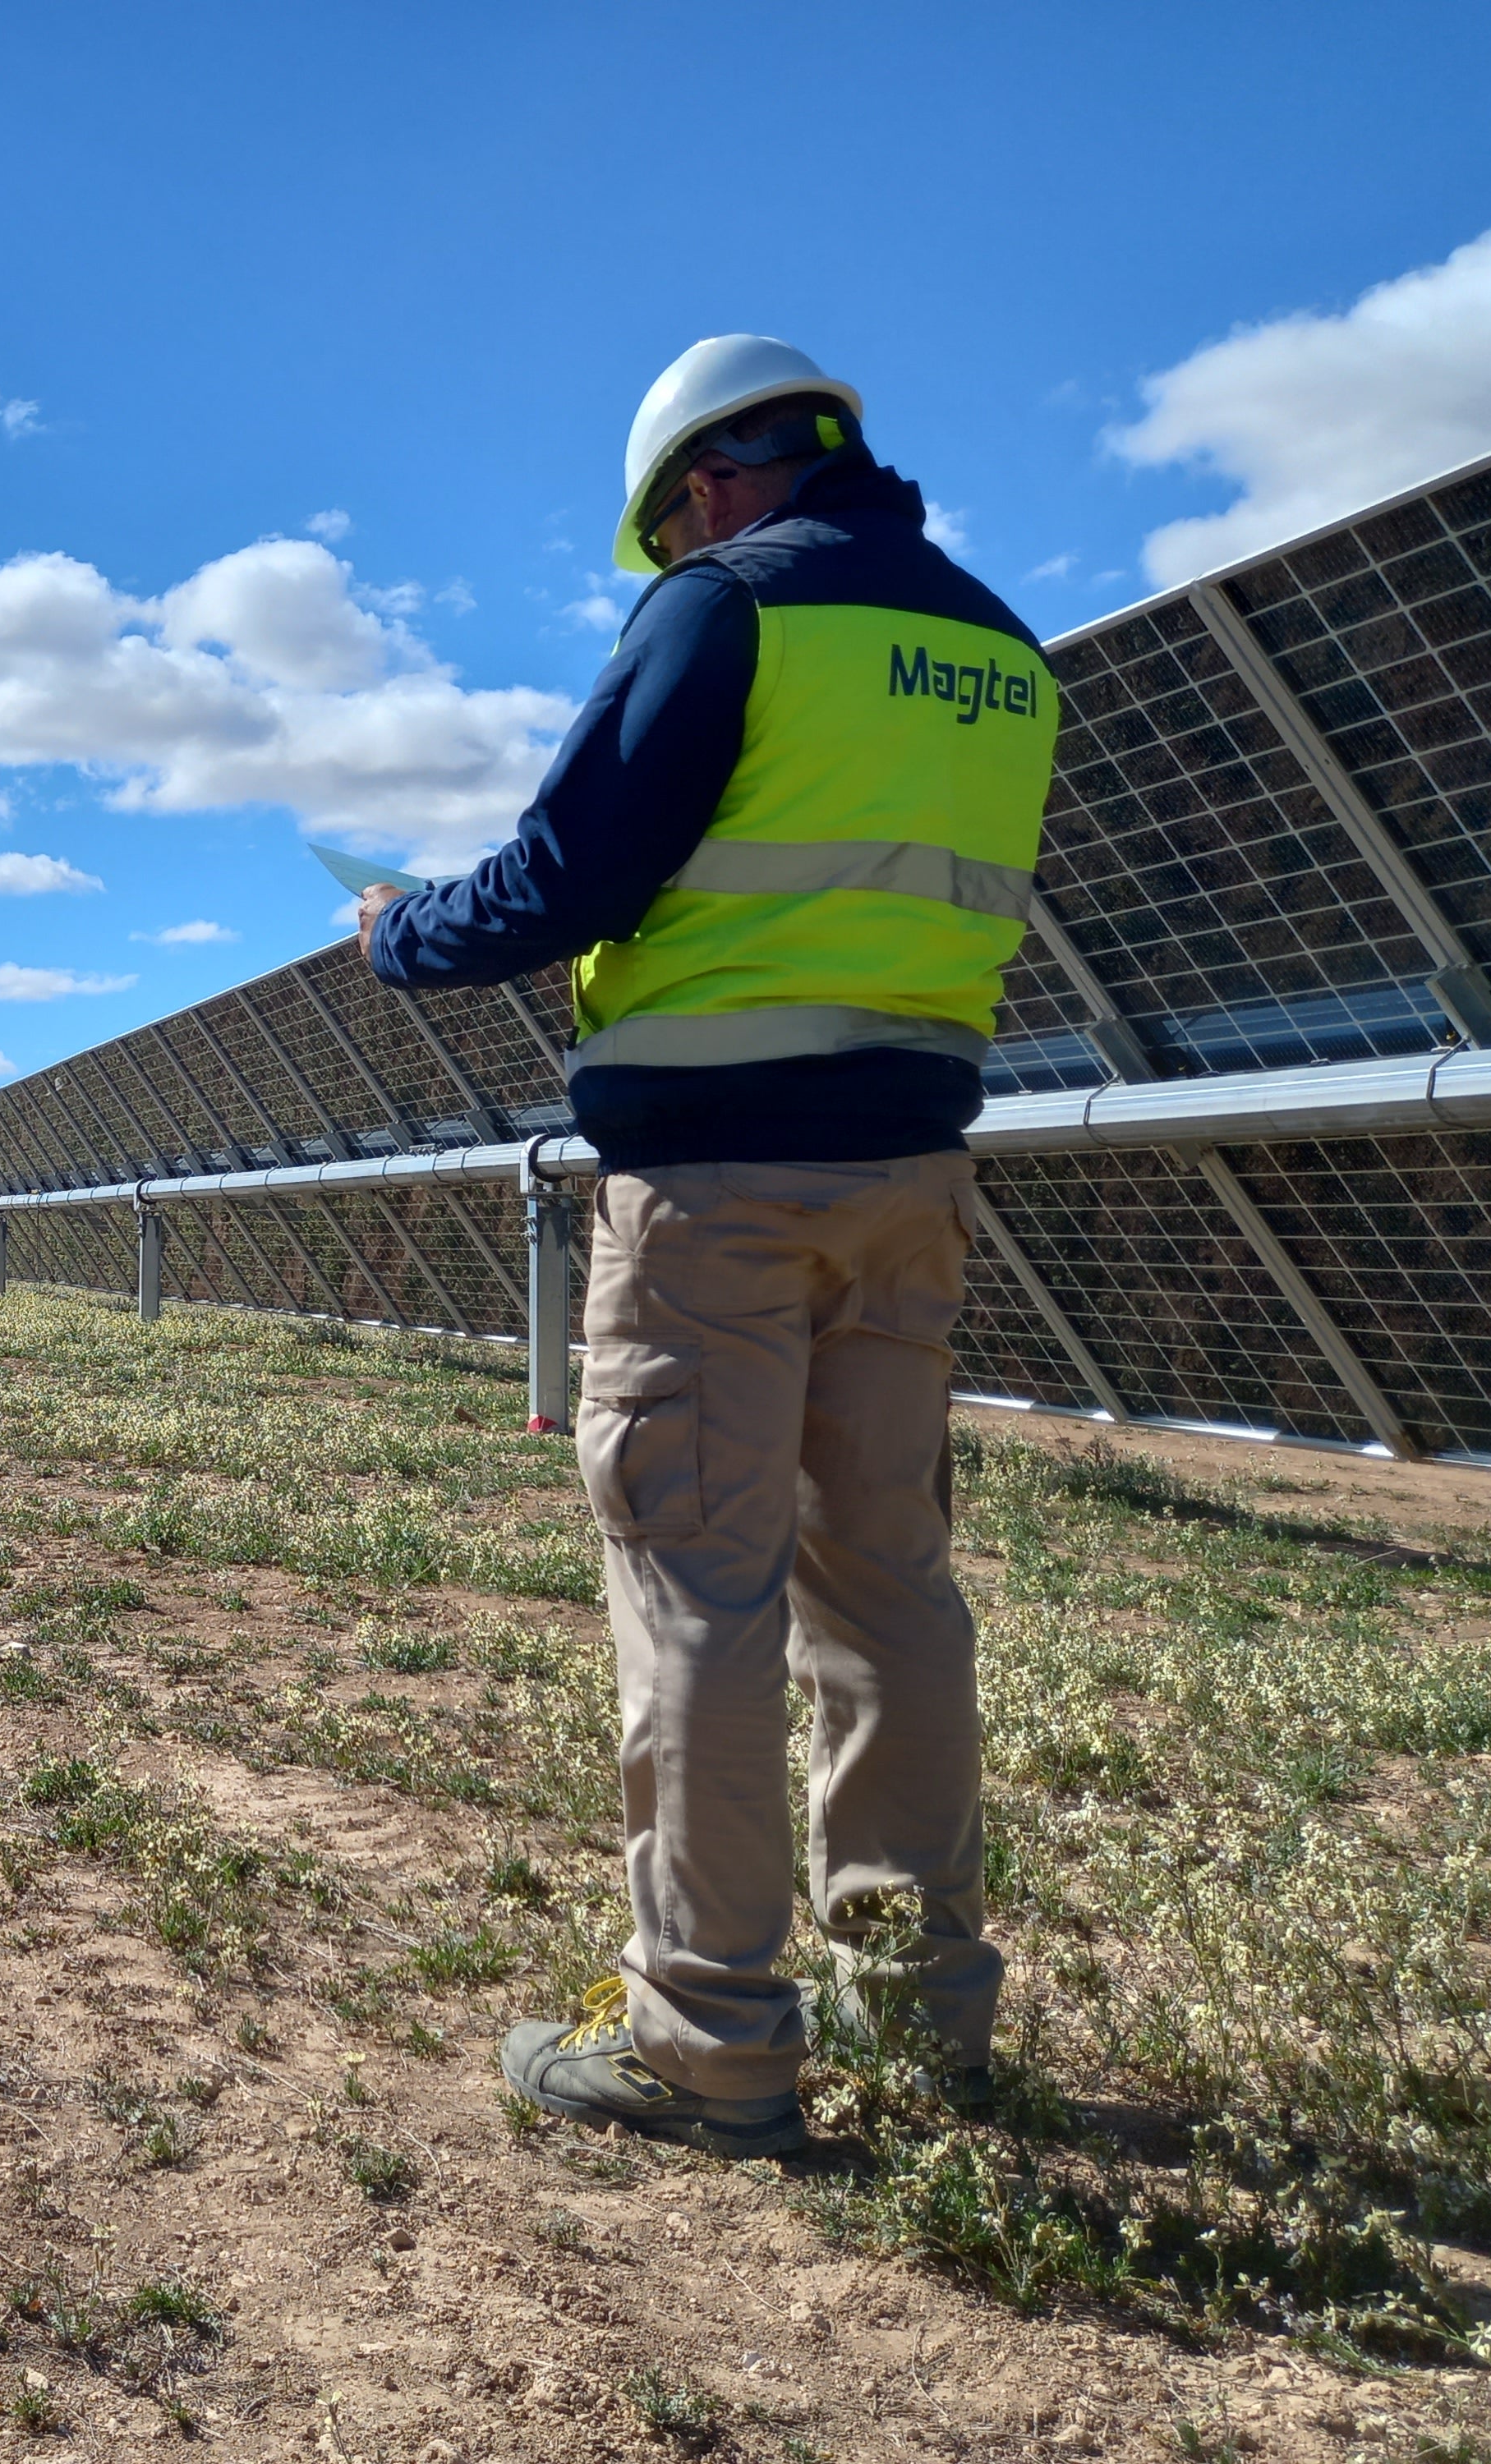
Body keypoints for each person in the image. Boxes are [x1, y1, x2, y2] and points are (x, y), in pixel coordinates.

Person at [354, 336, 1057, 2158]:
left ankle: (706, 2042)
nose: (667, 547)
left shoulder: (721, 611)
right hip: (906, 1182)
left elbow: (565, 879)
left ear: (709, 482)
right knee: (888, 1581)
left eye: (665, 519)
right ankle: (920, 2007)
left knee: (696, 1587)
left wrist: (391, 932)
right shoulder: (996, 654)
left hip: (716, 1196)